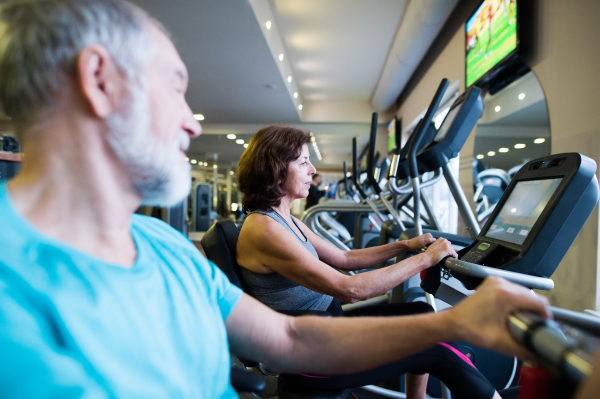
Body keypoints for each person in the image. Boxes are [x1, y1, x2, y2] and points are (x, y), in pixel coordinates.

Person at [0, 1, 552, 398]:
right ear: (99, 80)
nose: (192, 124)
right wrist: (427, 269)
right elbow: (337, 292)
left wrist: (451, 322)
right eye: (174, 86)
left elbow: (288, 337)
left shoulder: (160, 243)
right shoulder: (12, 296)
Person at [236, 125, 503, 398]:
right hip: (309, 353)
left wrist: (406, 245)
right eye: (304, 162)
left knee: (420, 313)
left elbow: (345, 258)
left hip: (324, 329)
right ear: (276, 169)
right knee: (436, 347)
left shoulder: (284, 219)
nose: (313, 170)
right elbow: (350, 290)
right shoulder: (265, 229)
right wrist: (426, 259)